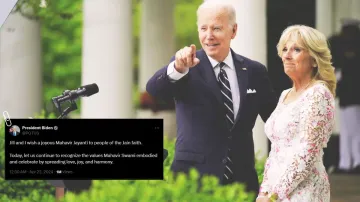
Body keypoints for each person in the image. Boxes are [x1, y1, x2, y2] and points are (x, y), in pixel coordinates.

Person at [146, 0, 277, 196]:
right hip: (193, 180)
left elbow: (276, 122)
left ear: (233, 31)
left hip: (242, 181)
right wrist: (177, 69)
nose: (209, 36)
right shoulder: (185, 66)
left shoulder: (254, 71)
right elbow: (154, 90)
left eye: (216, 28)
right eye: (203, 28)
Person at [257, 25, 337, 202]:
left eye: (296, 49)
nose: (287, 55)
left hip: (304, 191)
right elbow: (275, 150)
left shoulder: (318, 94)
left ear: (314, 60)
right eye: (285, 49)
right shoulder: (285, 94)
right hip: (276, 192)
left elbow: (308, 153)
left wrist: (274, 195)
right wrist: (264, 191)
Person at [328, 18, 360, 175]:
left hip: (351, 96)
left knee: (352, 131)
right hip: (349, 97)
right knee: (351, 131)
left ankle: (351, 162)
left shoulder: (348, 50)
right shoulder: (345, 50)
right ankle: (348, 162)